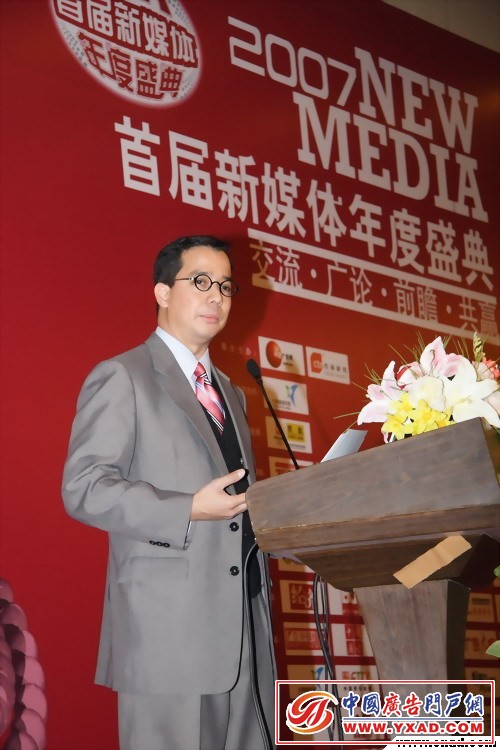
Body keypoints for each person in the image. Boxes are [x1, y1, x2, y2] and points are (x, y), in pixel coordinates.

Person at [62, 236, 276, 750]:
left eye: (225, 286)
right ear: (162, 292)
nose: (216, 296)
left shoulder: (232, 392)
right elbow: (84, 488)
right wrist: (188, 509)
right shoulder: (124, 376)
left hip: (244, 623)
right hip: (169, 633)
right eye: (200, 281)